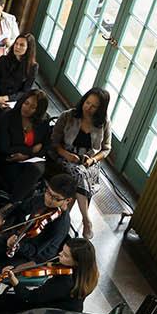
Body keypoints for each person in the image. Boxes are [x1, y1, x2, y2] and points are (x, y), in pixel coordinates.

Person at [0, 173, 78, 314]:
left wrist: (17, 244)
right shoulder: (41, 200)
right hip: (18, 242)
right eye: (48, 192)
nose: (48, 199)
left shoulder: (60, 224)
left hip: (32, 258)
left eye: (55, 198)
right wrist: (2, 216)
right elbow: (20, 207)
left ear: (67, 201)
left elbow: (36, 251)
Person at [0, 237, 100, 314]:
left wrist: (14, 280)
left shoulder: (64, 283)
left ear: (77, 262)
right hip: (58, 313)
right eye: (62, 250)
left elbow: (29, 298)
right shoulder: (87, 275)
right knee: (4, 300)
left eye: (65, 255)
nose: (59, 254)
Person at [51, 88, 112, 237]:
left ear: (100, 109)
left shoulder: (103, 123)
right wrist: (66, 154)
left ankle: (63, 220)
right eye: (87, 102)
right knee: (79, 174)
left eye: (93, 106)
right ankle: (86, 220)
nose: (88, 108)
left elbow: (106, 149)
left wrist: (92, 160)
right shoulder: (68, 116)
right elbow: (54, 141)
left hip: (89, 162)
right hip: (66, 157)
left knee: (80, 174)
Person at [0, 89, 50, 205]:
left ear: (38, 110)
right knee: (29, 184)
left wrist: (26, 155)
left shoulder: (43, 121)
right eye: (26, 103)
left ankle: (9, 206)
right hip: (9, 161)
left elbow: (46, 146)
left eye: (32, 107)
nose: (27, 108)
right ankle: (13, 210)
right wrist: (30, 150)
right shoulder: (8, 117)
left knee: (36, 171)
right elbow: (5, 147)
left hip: (30, 160)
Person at [0, 31, 38, 106]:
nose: (17, 47)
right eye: (16, 43)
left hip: (13, 100)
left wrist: (5, 99)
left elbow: (25, 91)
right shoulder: (3, 59)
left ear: (28, 48)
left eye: (22, 45)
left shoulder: (33, 67)